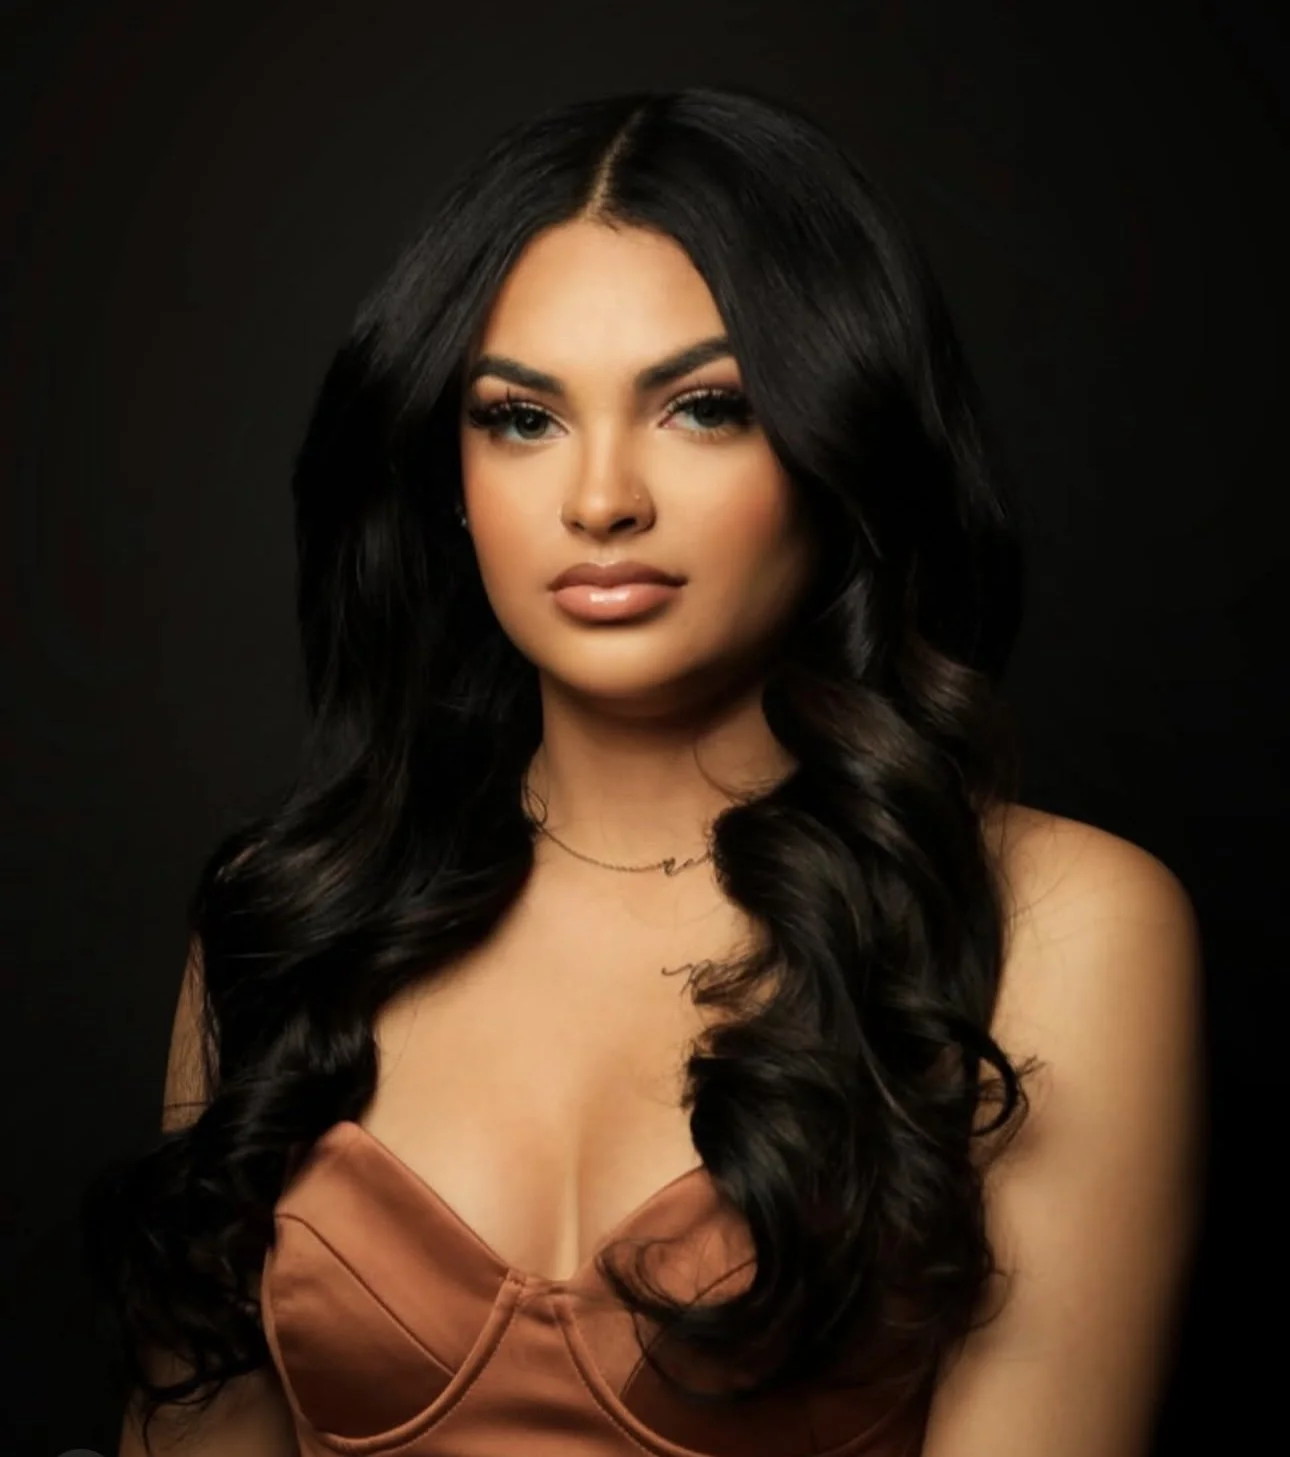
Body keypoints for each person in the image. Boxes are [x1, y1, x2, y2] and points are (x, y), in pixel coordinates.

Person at [83, 83, 1204, 1457]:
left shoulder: (1058, 926)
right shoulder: (288, 916)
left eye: (704, 407)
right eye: (521, 418)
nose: (601, 499)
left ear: (833, 446)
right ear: (448, 473)